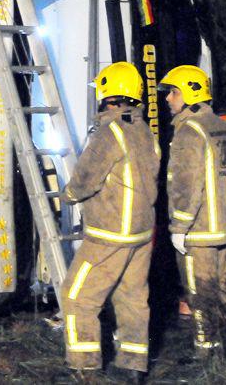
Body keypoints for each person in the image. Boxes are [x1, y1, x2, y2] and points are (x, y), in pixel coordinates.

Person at [59, 62, 160, 380]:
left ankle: (82, 369)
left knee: (76, 296)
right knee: (132, 299)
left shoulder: (110, 132)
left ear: (107, 94)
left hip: (109, 235)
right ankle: (133, 368)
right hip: (142, 234)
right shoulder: (143, 129)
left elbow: (86, 178)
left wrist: (69, 195)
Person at [158, 65, 226, 356]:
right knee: (222, 287)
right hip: (224, 228)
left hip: (199, 230)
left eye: (173, 91)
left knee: (199, 292)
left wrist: (179, 228)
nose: (168, 98)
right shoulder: (224, 126)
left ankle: (205, 352)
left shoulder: (189, 132)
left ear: (189, 94)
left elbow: (186, 185)